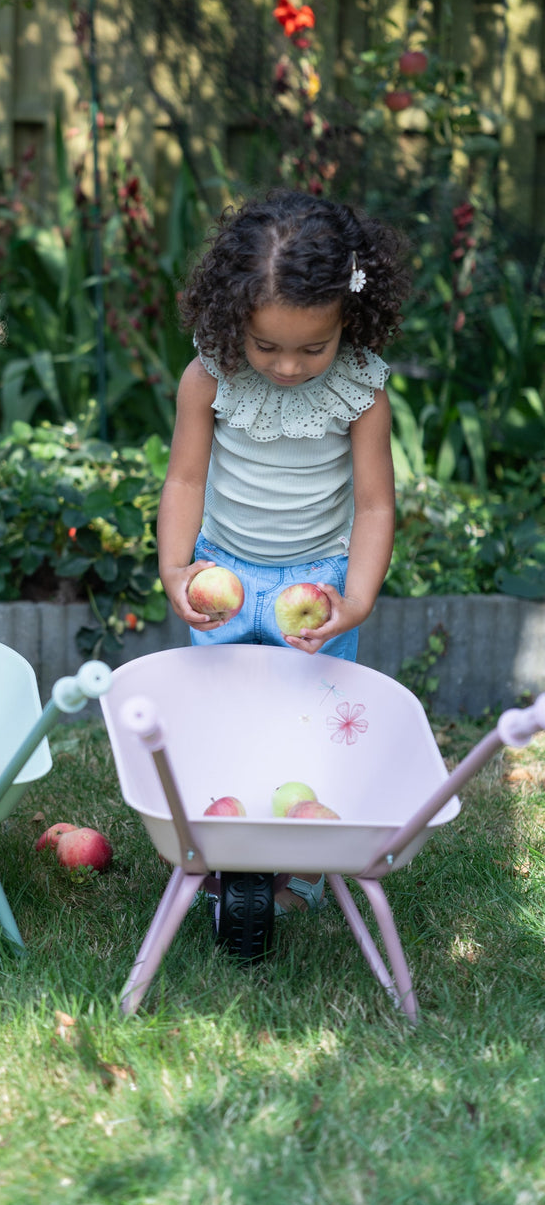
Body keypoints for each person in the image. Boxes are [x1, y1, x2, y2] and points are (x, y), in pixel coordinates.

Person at [157, 188, 409, 911]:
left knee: (313, 726)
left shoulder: (361, 391)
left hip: (319, 582)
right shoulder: (210, 376)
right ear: (233, 317)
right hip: (222, 575)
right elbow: (185, 479)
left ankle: (300, 868)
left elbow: (374, 505)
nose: (289, 367)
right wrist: (176, 567)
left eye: (312, 348)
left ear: (347, 319)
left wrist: (356, 599)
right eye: (266, 346)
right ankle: (226, 851)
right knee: (224, 720)